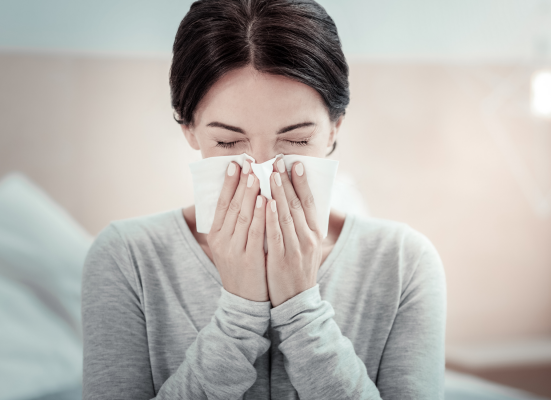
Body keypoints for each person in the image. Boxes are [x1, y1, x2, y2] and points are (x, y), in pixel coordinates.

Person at [81, 0, 446, 399]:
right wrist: (238, 316)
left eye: (295, 140)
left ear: (333, 129)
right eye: (228, 141)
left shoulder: (403, 263)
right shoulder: (126, 258)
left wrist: (302, 310)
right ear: (189, 130)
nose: (263, 169)